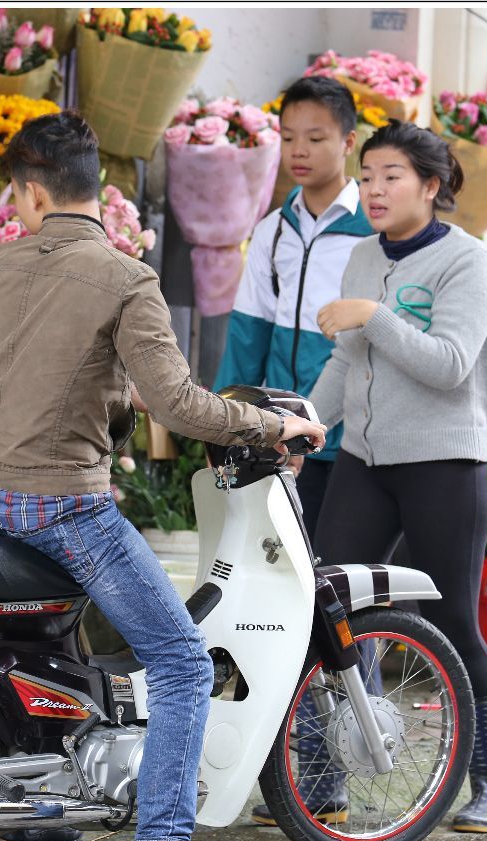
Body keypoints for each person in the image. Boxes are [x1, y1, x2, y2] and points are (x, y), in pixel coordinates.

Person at [0, 110, 327, 841]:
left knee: (30, 655)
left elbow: (33, 376)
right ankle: (162, 838)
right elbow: (179, 404)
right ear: (94, 189)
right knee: (183, 665)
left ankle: (41, 816)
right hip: (64, 509)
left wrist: (111, 400)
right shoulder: (126, 278)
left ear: (31, 196)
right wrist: (271, 427)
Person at [307, 119, 487, 834]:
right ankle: (325, 778)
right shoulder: (362, 255)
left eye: (391, 176)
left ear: (432, 184)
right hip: (365, 461)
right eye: (367, 177)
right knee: (329, 614)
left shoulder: (470, 262)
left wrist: (377, 315)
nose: (374, 190)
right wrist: (303, 426)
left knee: (452, 618)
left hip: (446, 463)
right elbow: (345, 361)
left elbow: (450, 364)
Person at [212, 76, 372, 539]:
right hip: (281, 435)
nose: (299, 150)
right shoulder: (272, 232)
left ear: (348, 142)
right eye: (288, 138)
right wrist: (226, 426)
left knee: (344, 566)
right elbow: (248, 336)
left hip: (352, 440)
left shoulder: (373, 233)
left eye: (316, 138)